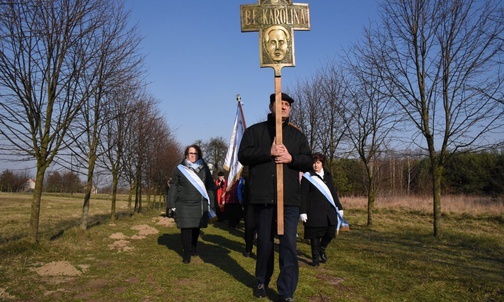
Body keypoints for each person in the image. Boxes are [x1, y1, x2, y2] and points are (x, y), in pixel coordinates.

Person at [238, 92, 313, 302]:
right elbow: (243, 155)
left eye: (287, 104)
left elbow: (308, 161)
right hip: (263, 199)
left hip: (289, 200)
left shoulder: (297, 136)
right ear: (271, 106)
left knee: (288, 244)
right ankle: (262, 280)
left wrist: (291, 158)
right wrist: (267, 152)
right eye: (279, 103)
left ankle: (286, 291)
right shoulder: (255, 132)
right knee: (264, 244)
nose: (283, 107)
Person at [167, 144, 216, 264]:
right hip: (183, 204)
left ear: (198, 155)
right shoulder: (180, 168)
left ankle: (194, 246)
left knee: (196, 227)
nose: (192, 156)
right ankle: (186, 253)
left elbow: (210, 185)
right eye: (190, 153)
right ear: (186, 155)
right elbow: (174, 185)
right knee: (186, 228)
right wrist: (171, 202)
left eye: (195, 154)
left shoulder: (204, 168)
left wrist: (212, 202)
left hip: (198, 204)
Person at [300, 153, 344, 267]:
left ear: (322, 164)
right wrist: (303, 211)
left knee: (331, 232)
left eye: (318, 163)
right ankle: (315, 259)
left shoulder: (328, 175)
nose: (315, 165)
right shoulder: (307, 177)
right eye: (314, 163)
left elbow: (333, 193)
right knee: (315, 235)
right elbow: (303, 195)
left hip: (328, 210)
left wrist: (339, 207)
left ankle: (322, 248)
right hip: (314, 210)